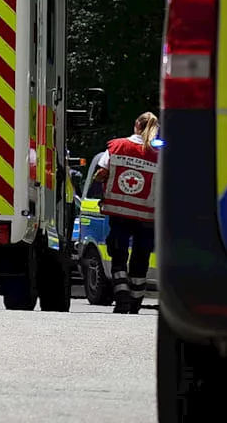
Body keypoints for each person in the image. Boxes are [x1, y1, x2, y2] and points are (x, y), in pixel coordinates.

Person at [92, 111, 161, 314]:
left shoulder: (117, 146)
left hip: (119, 212)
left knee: (119, 256)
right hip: (148, 216)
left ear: (135, 125)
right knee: (141, 258)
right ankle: (135, 303)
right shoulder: (160, 153)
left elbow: (100, 173)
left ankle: (122, 298)